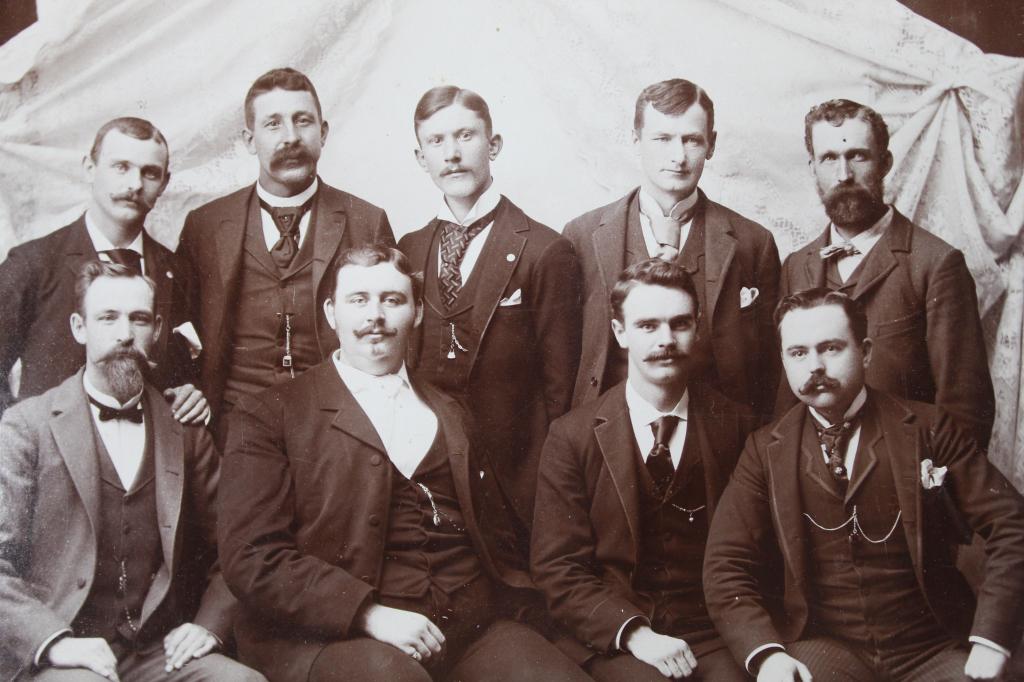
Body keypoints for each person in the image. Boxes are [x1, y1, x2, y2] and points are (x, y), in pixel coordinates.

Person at [218, 245, 590, 682]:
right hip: (334, 633)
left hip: (466, 626)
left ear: (417, 314)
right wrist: (367, 614)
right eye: (358, 300)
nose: (375, 315)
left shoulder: (453, 411)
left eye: (392, 300)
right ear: (331, 313)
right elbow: (252, 557)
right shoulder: (269, 413)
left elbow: (496, 534)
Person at [704, 288, 1024, 682]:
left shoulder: (929, 429)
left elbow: (1013, 525)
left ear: (866, 351)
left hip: (931, 647)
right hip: (827, 648)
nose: (815, 366)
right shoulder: (764, 450)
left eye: (831, 348)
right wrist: (766, 654)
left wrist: (991, 639)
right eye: (798, 353)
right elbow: (725, 565)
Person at [0, 261, 263, 682]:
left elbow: (238, 547)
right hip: (60, 651)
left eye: (138, 319)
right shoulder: (26, 428)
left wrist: (209, 624)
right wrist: (53, 640)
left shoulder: (184, 430)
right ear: (79, 327)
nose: (125, 334)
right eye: (108, 317)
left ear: (157, 330)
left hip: (157, 651)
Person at [532, 258, 757, 681]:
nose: (666, 340)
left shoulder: (738, 426)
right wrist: (634, 634)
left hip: (714, 634)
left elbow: (753, 557)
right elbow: (557, 568)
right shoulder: (572, 436)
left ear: (697, 327)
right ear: (620, 333)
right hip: (619, 637)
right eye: (648, 326)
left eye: (680, 324)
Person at [398, 85, 581, 551]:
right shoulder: (411, 248)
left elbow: (562, 391)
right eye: (436, 142)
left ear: (493, 145)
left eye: (466, 136)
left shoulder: (544, 249)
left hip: (516, 476)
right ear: (420, 159)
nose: (453, 154)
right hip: (431, 470)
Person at [177, 67, 394, 436]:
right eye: (273, 124)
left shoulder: (366, 221)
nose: (291, 137)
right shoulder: (206, 225)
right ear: (249, 140)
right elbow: (176, 325)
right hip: (235, 428)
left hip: (338, 429)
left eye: (303, 121)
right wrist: (186, 387)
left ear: (323, 133)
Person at [777, 98, 994, 446]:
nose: (844, 175)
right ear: (812, 168)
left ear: (885, 163)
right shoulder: (796, 266)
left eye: (858, 156)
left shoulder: (936, 263)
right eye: (829, 158)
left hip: (905, 479)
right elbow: (787, 406)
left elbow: (966, 410)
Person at [565, 78, 780, 418]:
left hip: (718, 438)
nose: (678, 157)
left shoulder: (753, 242)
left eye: (692, 140)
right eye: (662, 139)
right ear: (636, 141)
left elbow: (770, 370)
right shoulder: (582, 236)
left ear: (711, 145)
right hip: (609, 435)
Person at [0, 117, 206, 422]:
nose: (135, 184)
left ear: (164, 183)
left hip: (148, 458)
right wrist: (19, 437)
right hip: (53, 458)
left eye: (150, 173)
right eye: (121, 167)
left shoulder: (178, 271)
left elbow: (189, 368)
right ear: (90, 168)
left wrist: (193, 392)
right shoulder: (33, 263)